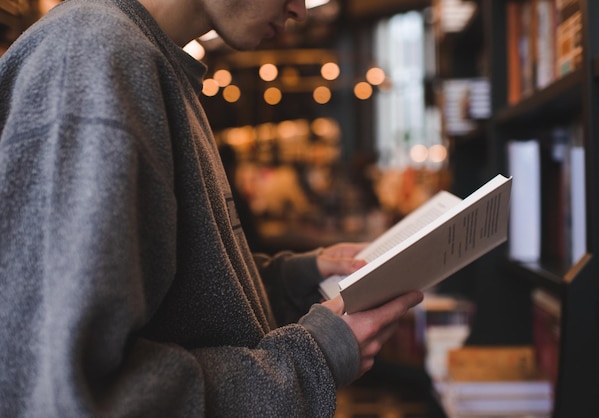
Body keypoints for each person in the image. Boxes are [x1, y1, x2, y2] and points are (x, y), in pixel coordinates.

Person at [0, 0, 423, 416]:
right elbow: (76, 394)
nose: (301, 11)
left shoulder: (143, 58)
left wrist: (295, 280)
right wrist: (313, 361)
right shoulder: (94, 57)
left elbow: (169, 302)